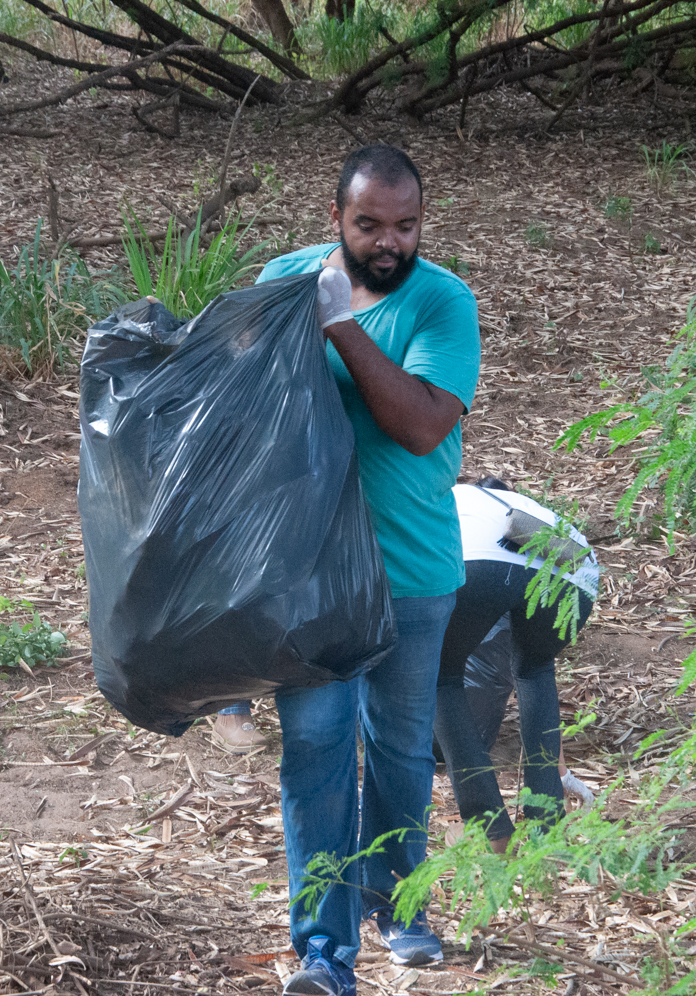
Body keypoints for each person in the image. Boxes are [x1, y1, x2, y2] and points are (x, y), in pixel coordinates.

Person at [256, 145, 481, 996]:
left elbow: (421, 427)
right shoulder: (287, 278)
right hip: (308, 575)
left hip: (411, 571)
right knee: (314, 752)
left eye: (406, 224)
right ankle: (324, 955)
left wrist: (340, 324)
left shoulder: (442, 303)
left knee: (395, 751)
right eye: (369, 225)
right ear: (335, 218)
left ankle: (403, 906)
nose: (389, 241)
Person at [435, 478, 599, 853]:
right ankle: (547, 828)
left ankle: (492, 832)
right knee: (535, 670)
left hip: (480, 562)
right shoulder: (523, 505)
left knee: (442, 682)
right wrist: (563, 771)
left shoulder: (452, 499)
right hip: (578, 571)